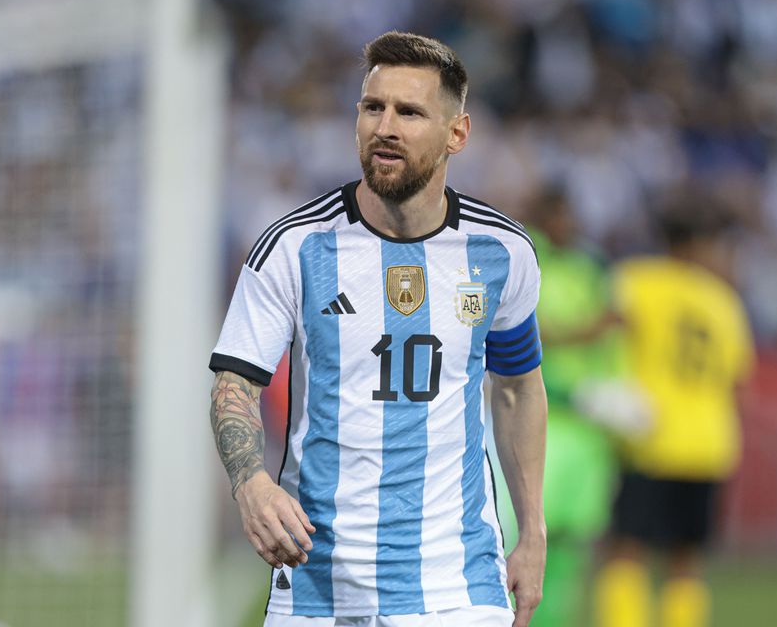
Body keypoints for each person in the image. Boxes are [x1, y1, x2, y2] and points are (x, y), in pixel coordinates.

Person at [208, 32, 547, 627]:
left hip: (457, 581)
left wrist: (533, 532)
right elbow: (235, 382)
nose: (385, 126)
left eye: (409, 112)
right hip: (318, 579)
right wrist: (251, 483)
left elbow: (518, 387)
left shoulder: (501, 252)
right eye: (373, 107)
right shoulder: (294, 247)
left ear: (457, 134)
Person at [593, 200, 755, 627]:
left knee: (627, 550)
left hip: (651, 439)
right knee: (687, 560)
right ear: (701, 245)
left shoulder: (636, 280)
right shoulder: (723, 300)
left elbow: (602, 330)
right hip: (709, 444)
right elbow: (739, 381)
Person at [519, 188, 626, 626]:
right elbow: (521, 329)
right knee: (525, 535)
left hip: (584, 426)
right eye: (559, 214)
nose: (569, 223)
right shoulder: (525, 257)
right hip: (537, 420)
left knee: (572, 545)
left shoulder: (590, 267)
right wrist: (589, 329)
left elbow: (614, 336)